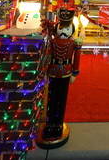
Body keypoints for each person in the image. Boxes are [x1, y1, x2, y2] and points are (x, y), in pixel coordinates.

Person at [36, 8, 82, 148]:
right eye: (61, 27)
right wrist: (44, 71)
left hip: (66, 70)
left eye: (66, 28)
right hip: (53, 70)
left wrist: (75, 72)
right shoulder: (52, 42)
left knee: (62, 98)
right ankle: (50, 123)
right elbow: (47, 56)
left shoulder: (74, 43)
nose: (63, 31)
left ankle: (58, 123)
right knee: (51, 96)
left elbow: (77, 58)